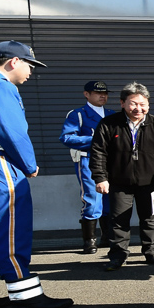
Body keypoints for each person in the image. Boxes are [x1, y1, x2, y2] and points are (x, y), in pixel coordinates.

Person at [0, 40, 73, 308]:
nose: (31, 72)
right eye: (30, 65)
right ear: (13, 61)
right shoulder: (0, 86)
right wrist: (28, 164)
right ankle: (25, 295)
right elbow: (11, 131)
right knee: (10, 228)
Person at [90, 82, 154, 271]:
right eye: (133, 103)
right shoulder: (109, 124)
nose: (138, 108)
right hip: (118, 182)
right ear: (122, 103)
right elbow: (98, 152)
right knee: (118, 220)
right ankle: (117, 256)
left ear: (148, 104)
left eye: (143, 104)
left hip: (149, 182)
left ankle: (153, 253)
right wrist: (100, 178)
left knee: (150, 218)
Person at [60, 80, 114, 254]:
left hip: (111, 161)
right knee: (92, 198)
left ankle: (107, 236)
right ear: (86, 94)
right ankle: (89, 241)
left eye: (105, 93)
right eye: (98, 93)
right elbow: (67, 138)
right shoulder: (78, 114)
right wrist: (97, 140)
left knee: (110, 199)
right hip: (88, 160)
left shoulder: (112, 114)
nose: (102, 96)